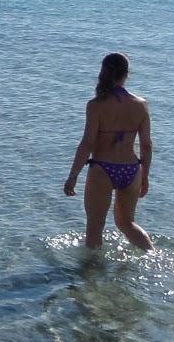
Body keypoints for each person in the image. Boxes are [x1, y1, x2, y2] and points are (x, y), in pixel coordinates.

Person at [64, 52, 153, 250]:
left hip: (103, 168)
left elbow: (87, 143)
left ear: (103, 72)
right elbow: (146, 145)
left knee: (95, 227)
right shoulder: (141, 105)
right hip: (132, 169)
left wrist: (73, 176)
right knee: (127, 224)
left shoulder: (96, 106)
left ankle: (91, 276)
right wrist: (145, 177)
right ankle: (152, 257)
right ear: (127, 74)